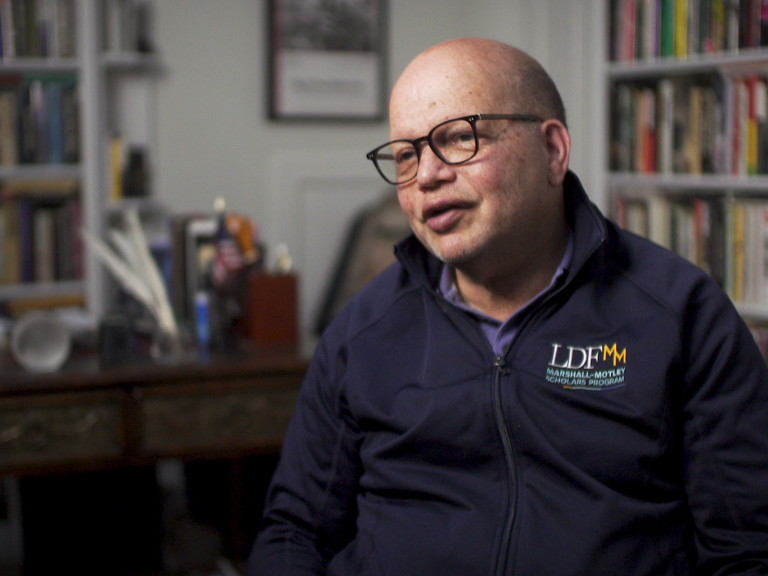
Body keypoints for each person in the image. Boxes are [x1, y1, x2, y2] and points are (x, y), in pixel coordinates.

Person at [248, 38, 768, 575]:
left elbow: (746, 550)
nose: (426, 175)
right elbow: (295, 532)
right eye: (406, 155)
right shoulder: (363, 330)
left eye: (457, 138)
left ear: (553, 151)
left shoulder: (681, 314)